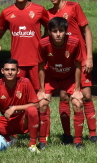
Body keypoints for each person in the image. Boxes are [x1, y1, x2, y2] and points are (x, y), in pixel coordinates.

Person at [45, 0, 97, 144]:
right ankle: (67, 135)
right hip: (62, 63)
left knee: (87, 95)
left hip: (80, 59)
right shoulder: (48, 14)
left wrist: (89, 56)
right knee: (63, 96)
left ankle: (93, 134)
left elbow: (87, 31)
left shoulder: (74, 7)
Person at [37, 17, 86, 150]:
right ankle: (42, 142)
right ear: (49, 32)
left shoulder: (74, 43)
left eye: (61, 31)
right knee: (42, 104)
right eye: (54, 31)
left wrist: (77, 89)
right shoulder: (43, 44)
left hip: (69, 77)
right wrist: (41, 89)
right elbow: (41, 67)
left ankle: (77, 141)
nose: (58, 34)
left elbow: (78, 66)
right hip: (51, 76)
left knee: (77, 103)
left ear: (66, 31)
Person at [0, 0, 49, 90]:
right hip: (17, 62)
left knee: (40, 94)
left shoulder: (39, 10)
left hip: (37, 60)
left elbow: (51, 27)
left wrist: (44, 40)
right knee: (17, 93)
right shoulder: (7, 12)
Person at [0, 59, 40, 152]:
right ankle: (9, 138)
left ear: (18, 71)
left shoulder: (25, 82)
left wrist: (15, 108)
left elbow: (37, 104)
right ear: (2, 71)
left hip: (23, 120)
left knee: (32, 110)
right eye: (7, 70)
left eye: (13, 70)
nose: (10, 72)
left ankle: (32, 144)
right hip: (7, 120)